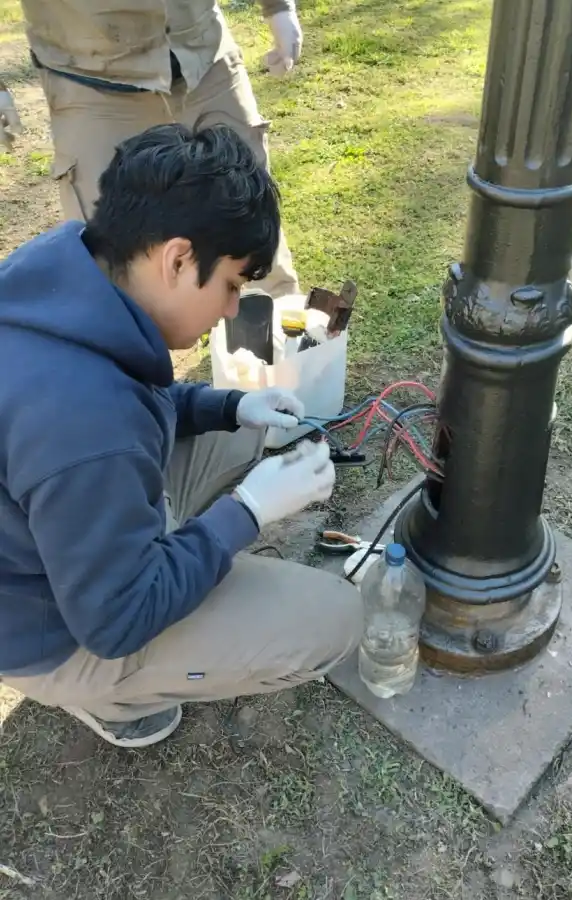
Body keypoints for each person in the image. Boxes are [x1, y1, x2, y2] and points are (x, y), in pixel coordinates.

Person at [0, 123, 364, 749]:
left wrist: (233, 406)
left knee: (248, 433)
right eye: (230, 285)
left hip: (56, 531)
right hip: (59, 626)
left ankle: (150, 541)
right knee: (336, 618)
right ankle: (107, 694)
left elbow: (137, 403)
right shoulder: (85, 421)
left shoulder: (69, 274)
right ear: (176, 258)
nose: (231, 309)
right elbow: (116, 620)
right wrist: (247, 513)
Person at [0, 0, 303, 298]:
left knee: (253, 228)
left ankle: (278, 340)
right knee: (111, 262)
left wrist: (278, 7)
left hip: (202, 53)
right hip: (90, 77)